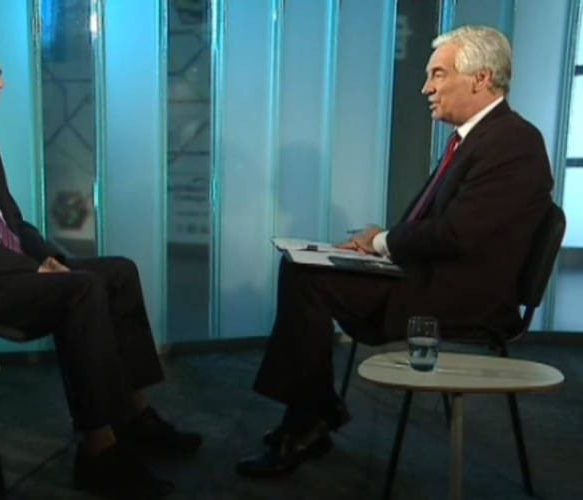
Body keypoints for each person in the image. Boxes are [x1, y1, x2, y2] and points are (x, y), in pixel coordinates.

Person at [0, 29, 200, 499]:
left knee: (118, 273)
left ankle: (134, 417)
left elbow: (10, 220)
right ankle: (99, 452)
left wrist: (48, 257)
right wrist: (29, 270)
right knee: (81, 290)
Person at [236, 25, 553, 478]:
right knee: (302, 268)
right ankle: (311, 414)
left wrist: (383, 242)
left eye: (438, 74)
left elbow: (458, 234)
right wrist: (379, 244)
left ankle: (308, 420)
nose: (426, 88)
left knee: (306, 279)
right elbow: (440, 227)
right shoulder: (477, 139)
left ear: (481, 79)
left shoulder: (513, 142)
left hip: (462, 297)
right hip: (430, 276)